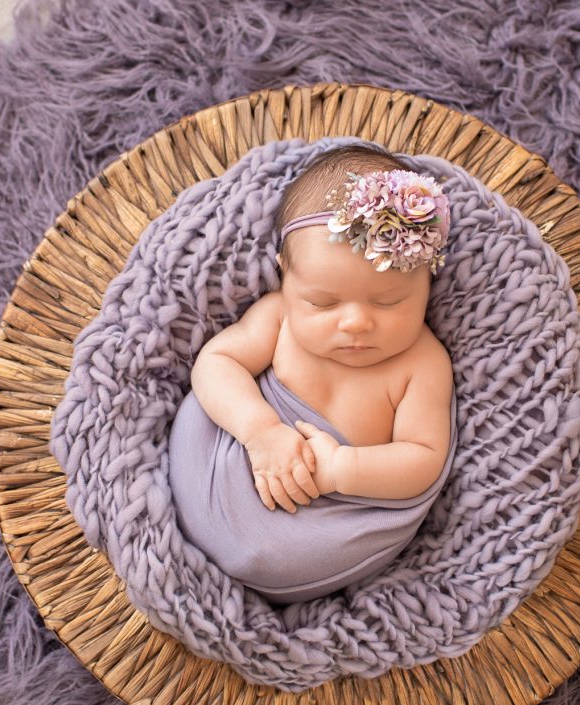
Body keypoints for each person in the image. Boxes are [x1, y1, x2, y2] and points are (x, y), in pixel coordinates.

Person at [188, 143, 455, 514]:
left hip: (335, 519)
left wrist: (341, 470)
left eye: (388, 301)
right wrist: (260, 430)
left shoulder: (423, 363)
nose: (356, 323)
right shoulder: (278, 316)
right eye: (322, 303)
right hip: (224, 472)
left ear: (428, 281)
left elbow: (424, 459)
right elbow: (216, 363)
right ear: (285, 274)